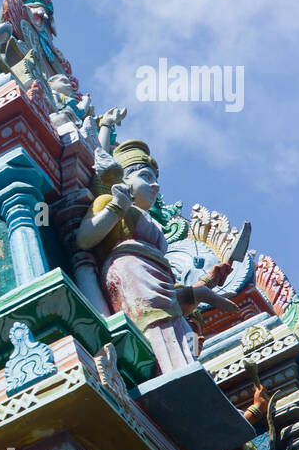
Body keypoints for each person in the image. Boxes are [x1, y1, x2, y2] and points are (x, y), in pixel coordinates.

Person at [76, 140, 236, 373]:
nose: (155, 186)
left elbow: (171, 296)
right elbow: (84, 239)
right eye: (146, 177)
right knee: (155, 331)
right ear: (124, 179)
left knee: (175, 331)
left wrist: (204, 286)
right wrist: (117, 206)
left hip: (156, 281)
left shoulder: (150, 222)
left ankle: (182, 376)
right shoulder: (108, 203)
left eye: (155, 179)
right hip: (131, 275)